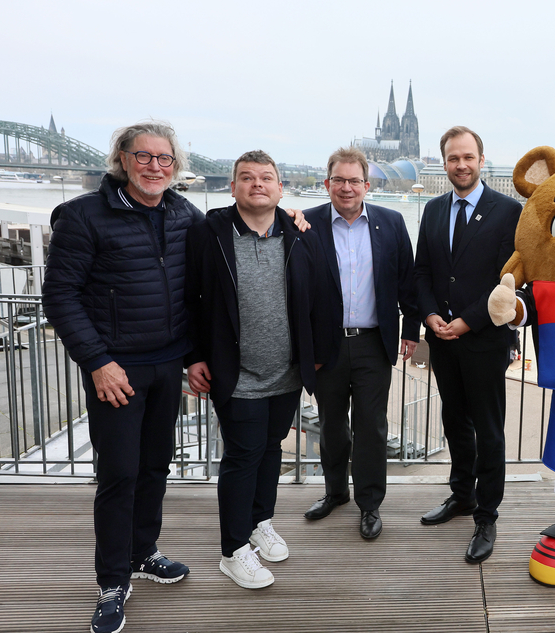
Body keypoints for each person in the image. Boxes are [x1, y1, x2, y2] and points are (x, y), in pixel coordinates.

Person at [43, 122, 199, 633]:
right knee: (118, 476)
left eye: (165, 159)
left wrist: (292, 220)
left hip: (168, 363)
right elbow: (60, 298)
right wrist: (96, 362)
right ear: (123, 159)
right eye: (144, 156)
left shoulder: (183, 213)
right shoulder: (84, 216)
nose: (156, 166)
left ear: (176, 166)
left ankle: (142, 552)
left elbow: (216, 261)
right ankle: (112, 580)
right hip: (116, 369)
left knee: (156, 467)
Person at [184, 150, 331, 589]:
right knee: (243, 456)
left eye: (266, 178)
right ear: (232, 188)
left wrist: (316, 354)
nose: (257, 184)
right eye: (246, 178)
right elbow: (188, 300)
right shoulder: (208, 233)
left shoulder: (300, 232)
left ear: (280, 189)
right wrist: (192, 357)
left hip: (286, 371)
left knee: (271, 449)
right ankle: (232, 550)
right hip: (237, 372)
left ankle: (258, 523)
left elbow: (323, 295)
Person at [414, 126, 522, 563]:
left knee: (488, 429)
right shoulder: (434, 209)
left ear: (481, 160)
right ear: (444, 162)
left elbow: (509, 281)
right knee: (454, 421)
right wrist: (430, 316)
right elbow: (422, 272)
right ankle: (461, 495)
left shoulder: (507, 211)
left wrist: (466, 322)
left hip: (483, 341)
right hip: (442, 340)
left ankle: (487, 514)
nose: (461, 164)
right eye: (453, 158)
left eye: (468, 157)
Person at [302, 147, 420, 540]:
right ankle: (335, 492)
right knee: (332, 424)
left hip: (373, 343)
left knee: (371, 427)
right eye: (340, 180)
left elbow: (407, 280)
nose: (347, 188)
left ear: (367, 185)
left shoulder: (391, 222)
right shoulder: (307, 224)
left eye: (354, 181)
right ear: (327, 184)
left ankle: (369, 504)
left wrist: (411, 331)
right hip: (326, 344)